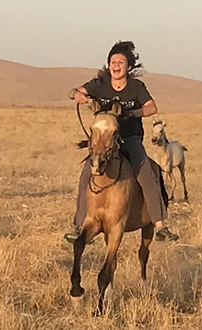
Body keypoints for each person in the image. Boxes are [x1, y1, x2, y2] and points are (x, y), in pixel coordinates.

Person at [65, 41, 179, 243]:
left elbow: (152, 107)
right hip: (104, 142)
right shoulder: (99, 83)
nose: (116, 65)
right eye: (112, 61)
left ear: (129, 66)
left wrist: (133, 113)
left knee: (147, 174)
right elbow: (73, 91)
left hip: (130, 139)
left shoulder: (136, 87)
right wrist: (78, 95)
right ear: (108, 65)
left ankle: (160, 224)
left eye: (121, 61)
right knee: (85, 175)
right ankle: (79, 225)